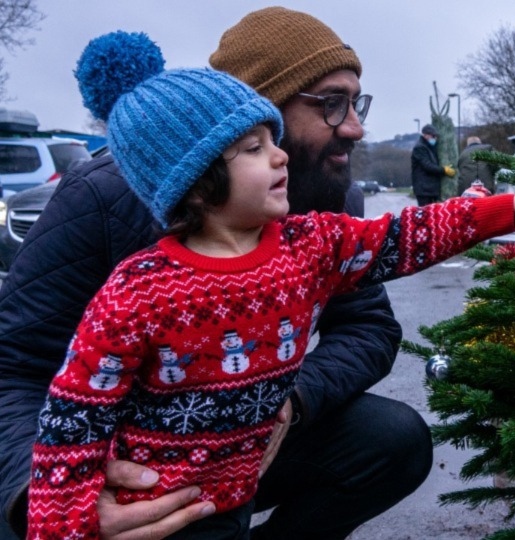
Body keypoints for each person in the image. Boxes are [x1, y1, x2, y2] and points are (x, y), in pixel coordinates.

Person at [26, 32, 515, 540]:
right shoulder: (140, 289)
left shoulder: (308, 243)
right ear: (195, 183)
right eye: (252, 146)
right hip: (159, 496)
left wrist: (509, 209)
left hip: (241, 481)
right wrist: (66, 522)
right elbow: (75, 414)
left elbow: (403, 238)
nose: (280, 152)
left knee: (391, 437)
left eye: (274, 137)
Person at [2, 8, 423, 540]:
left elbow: (369, 328)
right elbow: (12, 364)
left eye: (355, 102)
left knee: (392, 440)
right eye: (331, 104)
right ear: (253, 114)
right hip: (114, 465)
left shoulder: (330, 201)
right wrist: (55, 495)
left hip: (240, 448)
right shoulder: (104, 197)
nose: (357, 128)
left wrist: (289, 403)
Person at [411, 124, 454, 206]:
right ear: (425, 135)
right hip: (424, 191)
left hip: (430, 190)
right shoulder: (419, 148)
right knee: (426, 214)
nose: (435, 138)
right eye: (433, 136)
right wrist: (443, 170)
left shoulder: (430, 147)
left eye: (436, 136)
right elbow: (427, 166)